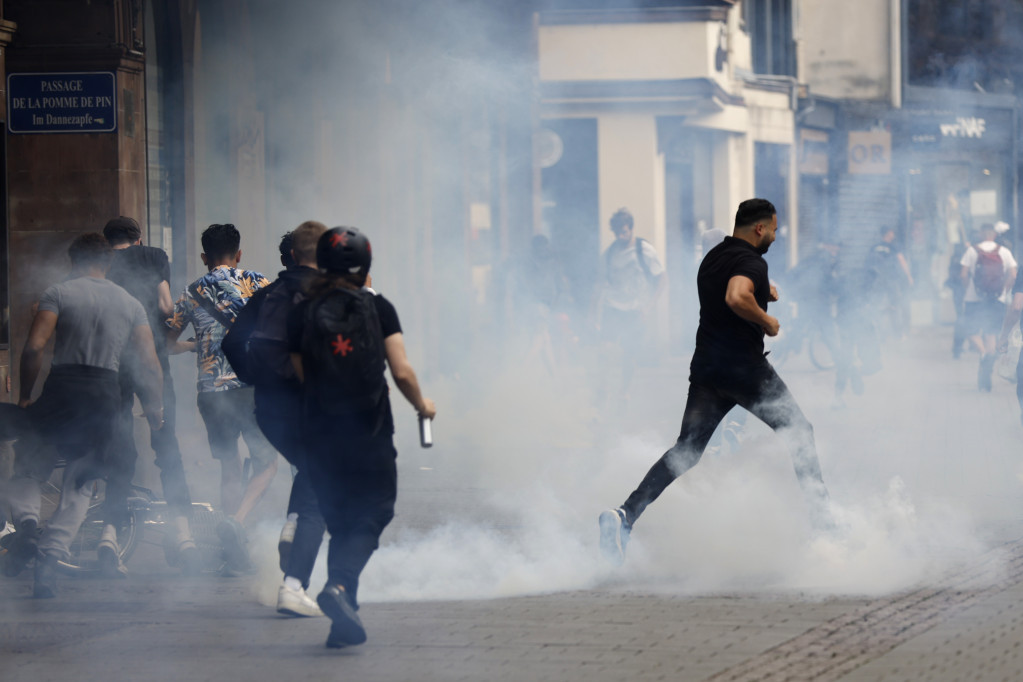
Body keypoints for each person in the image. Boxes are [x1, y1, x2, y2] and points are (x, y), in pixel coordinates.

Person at [598, 199, 833, 565]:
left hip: (708, 370)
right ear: (759, 228)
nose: (775, 236)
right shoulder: (752, 262)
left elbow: (734, 284)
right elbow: (736, 295)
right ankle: (825, 527)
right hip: (745, 371)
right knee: (800, 432)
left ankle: (624, 515)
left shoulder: (713, 258)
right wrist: (767, 321)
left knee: (686, 451)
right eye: (773, 230)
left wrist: (763, 290)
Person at [288, 226, 436, 648]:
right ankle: (339, 588)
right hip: (369, 432)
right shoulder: (379, 307)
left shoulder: (302, 310)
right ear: (364, 264)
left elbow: (301, 374)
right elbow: (401, 371)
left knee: (340, 522)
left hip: (320, 435)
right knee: (373, 513)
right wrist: (423, 405)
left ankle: (342, 622)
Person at [2, 233, 163, 597]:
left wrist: (26, 396)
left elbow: (34, 348)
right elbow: (150, 363)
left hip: (62, 390)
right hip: (104, 396)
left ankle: (27, 527)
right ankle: (48, 563)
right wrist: (155, 408)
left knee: (28, 466)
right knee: (80, 482)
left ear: (73, 260)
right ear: (108, 262)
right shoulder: (130, 303)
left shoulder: (59, 293)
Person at [223, 222, 328, 617]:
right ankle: (294, 587)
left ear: (293, 255)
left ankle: (292, 526)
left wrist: (257, 376)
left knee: (309, 469)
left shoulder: (267, 295)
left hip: (269, 410)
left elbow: (232, 342)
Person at [165, 223, 278, 575]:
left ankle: (233, 550)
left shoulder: (190, 293)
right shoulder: (259, 284)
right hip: (253, 388)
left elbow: (167, 344)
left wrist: (197, 345)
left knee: (229, 466)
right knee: (267, 463)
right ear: (239, 254)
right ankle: (236, 523)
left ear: (204, 257)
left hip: (212, 392)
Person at [99, 217, 199, 577]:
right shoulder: (153, 255)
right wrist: (173, 338)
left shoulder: (101, 262)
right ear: (138, 238)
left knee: (119, 448)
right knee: (166, 445)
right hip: (152, 360)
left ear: (108, 241)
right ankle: (183, 535)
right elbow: (166, 307)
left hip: (111, 364)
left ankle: (109, 535)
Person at [595, 208, 666, 407]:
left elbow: (662, 278)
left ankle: (623, 392)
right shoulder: (610, 253)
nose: (620, 236)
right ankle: (603, 389)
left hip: (636, 310)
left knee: (629, 354)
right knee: (605, 349)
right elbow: (600, 283)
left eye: (624, 232)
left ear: (631, 229)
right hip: (613, 306)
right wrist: (594, 313)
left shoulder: (644, 250)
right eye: (617, 233)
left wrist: (649, 307)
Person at [961, 223, 1017, 391]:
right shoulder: (1004, 251)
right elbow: (1013, 274)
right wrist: (1004, 290)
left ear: (981, 233)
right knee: (991, 332)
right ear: (994, 234)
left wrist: (968, 289)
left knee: (970, 331)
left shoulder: (972, 250)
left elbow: (963, 274)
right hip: (996, 299)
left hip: (974, 298)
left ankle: (984, 353)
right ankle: (989, 361)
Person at [866, 225, 913, 340]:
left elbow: (867, 265)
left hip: (876, 282)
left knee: (876, 306)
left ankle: (877, 333)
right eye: (892, 232)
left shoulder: (874, 247)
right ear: (888, 234)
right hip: (890, 281)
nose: (893, 234)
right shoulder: (893, 247)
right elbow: (902, 261)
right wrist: (909, 276)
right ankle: (898, 334)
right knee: (894, 306)